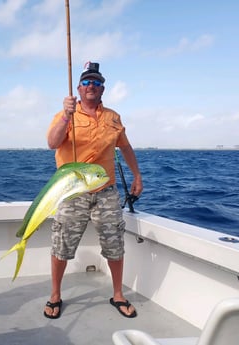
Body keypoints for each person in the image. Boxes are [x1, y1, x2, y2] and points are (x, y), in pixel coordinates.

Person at [44, 62, 143, 319]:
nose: (91, 85)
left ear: (103, 89)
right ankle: (55, 295)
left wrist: (137, 175)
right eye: (87, 82)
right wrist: (66, 116)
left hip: (106, 191)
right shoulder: (66, 114)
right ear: (78, 88)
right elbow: (52, 143)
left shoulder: (113, 117)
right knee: (62, 242)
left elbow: (126, 147)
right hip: (73, 191)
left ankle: (118, 294)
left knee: (114, 242)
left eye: (97, 82)